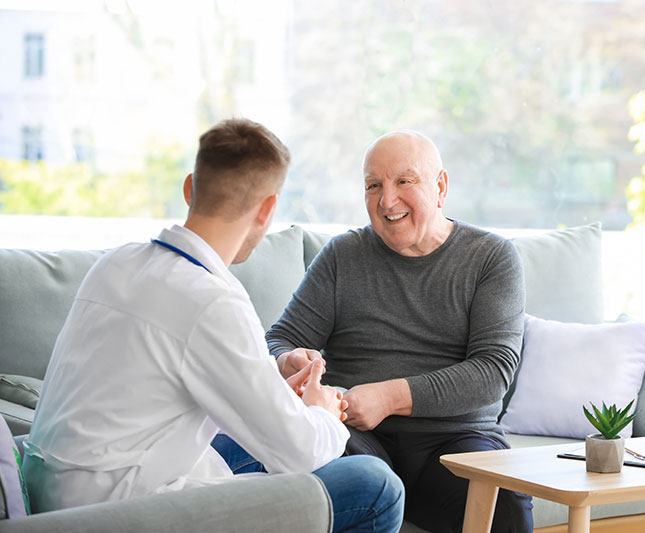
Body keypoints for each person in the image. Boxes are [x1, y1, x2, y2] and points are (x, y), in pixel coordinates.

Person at [22, 118, 404, 533]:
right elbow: (303, 455)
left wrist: (269, 385)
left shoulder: (116, 263)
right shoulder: (211, 301)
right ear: (266, 210)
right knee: (376, 485)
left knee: (262, 438)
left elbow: (165, 381)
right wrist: (324, 413)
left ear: (190, 187)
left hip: (56, 490)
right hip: (114, 510)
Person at [266, 130, 534, 532]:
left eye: (404, 181)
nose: (387, 200)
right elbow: (280, 339)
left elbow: (492, 373)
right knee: (332, 471)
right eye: (374, 185)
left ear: (440, 187)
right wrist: (289, 361)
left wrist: (389, 396)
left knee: (506, 507)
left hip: (456, 438)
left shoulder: (490, 258)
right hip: (358, 435)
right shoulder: (342, 256)